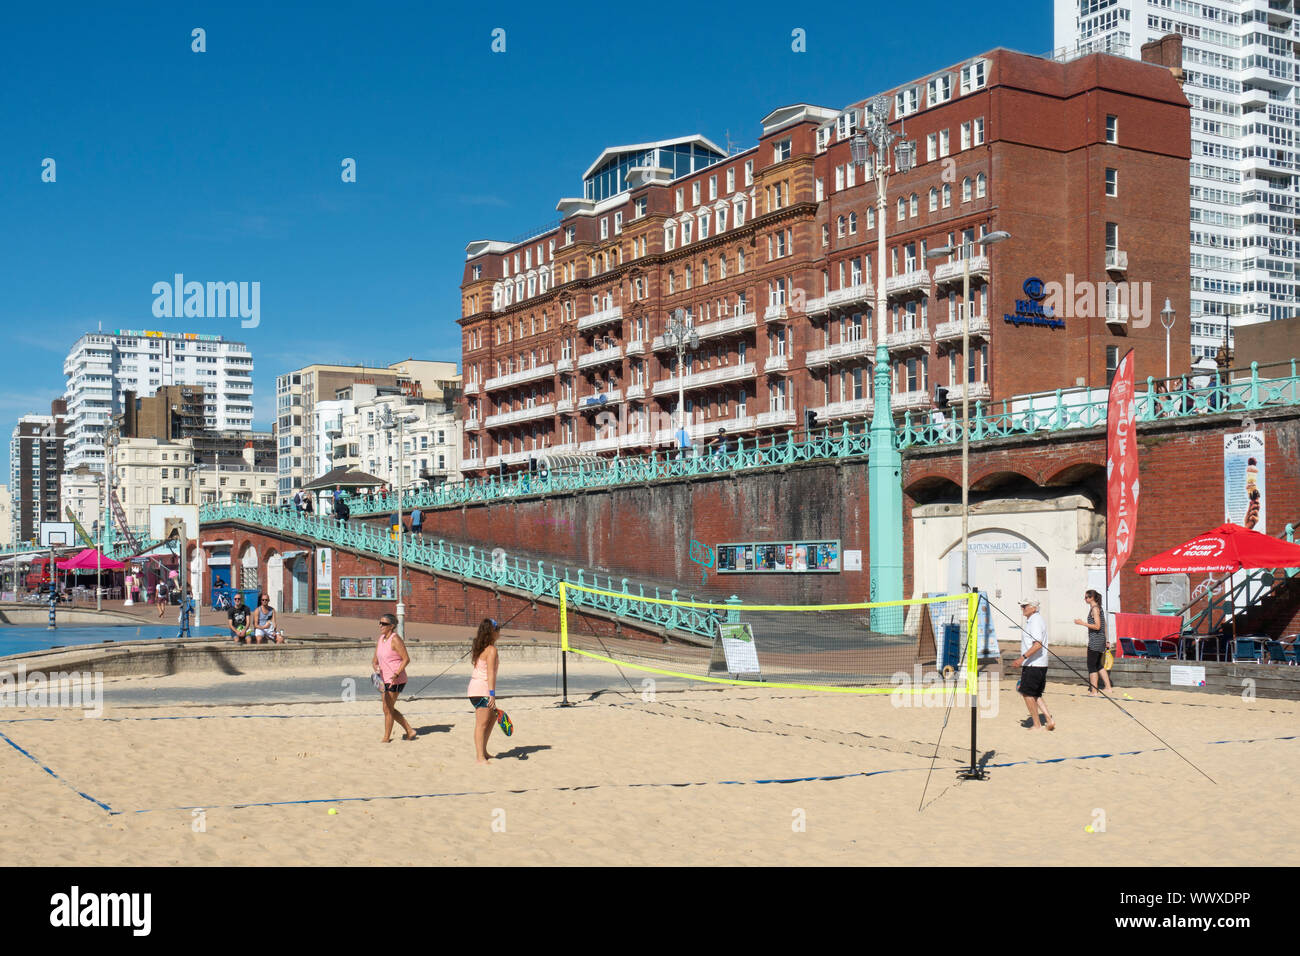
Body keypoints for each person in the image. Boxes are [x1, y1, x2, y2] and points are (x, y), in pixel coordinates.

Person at [372, 614, 416, 742]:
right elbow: (374, 661)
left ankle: (387, 738)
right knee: (387, 708)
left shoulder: (395, 639)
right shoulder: (381, 639)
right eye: (380, 622)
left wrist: (397, 673)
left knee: (387, 708)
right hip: (383, 679)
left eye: (384, 624)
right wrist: (376, 670)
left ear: (391, 626)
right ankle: (409, 730)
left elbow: (406, 659)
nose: (380, 625)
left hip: (396, 679)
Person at [1013, 598, 1055, 731]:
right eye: (1022, 606)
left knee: (1026, 693)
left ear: (1033, 608)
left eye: (1025, 606)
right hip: (1037, 664)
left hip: (1034, 664)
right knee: (1035, 693)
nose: (1022, 608)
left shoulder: (1035, 621)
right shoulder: (1034, 620)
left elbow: (1038, 644)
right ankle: (1049, 719)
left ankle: (1037, 725)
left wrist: (1022, 658)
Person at [467, 618, 502, 764]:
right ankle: (480, 757)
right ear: (492, 632)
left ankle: (484, 751)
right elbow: (490, 674)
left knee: (493, 717)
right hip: (482, 690)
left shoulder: (480, 647)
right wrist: (492, 694)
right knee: (481, 724)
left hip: (475, 689)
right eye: (498, 629)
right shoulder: (491, 650)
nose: (500, 631)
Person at [1075, 589, 1113, 696]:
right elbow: (1104, 625)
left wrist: (1082, 623)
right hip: (1100, 640)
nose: (1085, 599)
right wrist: (1107, 640)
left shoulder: (1095, 609)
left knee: (1091, 666)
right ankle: (1108, 687)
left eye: (1087, 597)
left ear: (1092, 598)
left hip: (1095, 641)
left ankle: (1094, 691)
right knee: (1098, 665)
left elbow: (1097, 626)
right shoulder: (1098, 608)